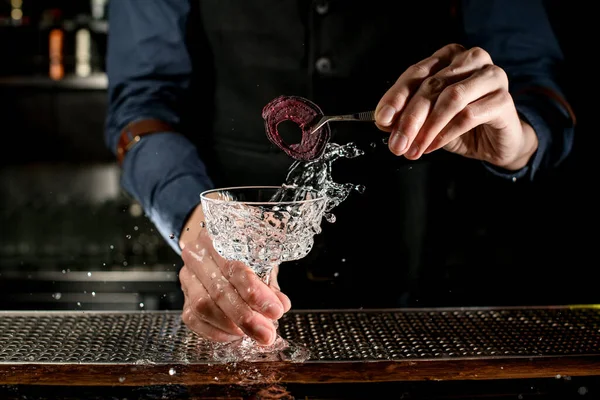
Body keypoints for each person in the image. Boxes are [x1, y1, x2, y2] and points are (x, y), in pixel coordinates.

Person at [104, 0, 576, 346]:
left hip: (428, 290)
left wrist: (522, 138)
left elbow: (536, 85)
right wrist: (194, 222)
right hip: (225, 296)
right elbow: (142, 104)